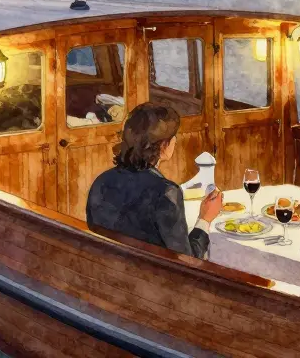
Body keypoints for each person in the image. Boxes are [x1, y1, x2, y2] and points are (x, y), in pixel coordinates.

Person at [86, 103, 223, 259]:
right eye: (173, 138)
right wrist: (205, 219)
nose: (175, 141)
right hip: (150, 279)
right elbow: (185, 261)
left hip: (108, 273)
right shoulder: (165, 192)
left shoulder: (102, 181)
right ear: (164, 145)